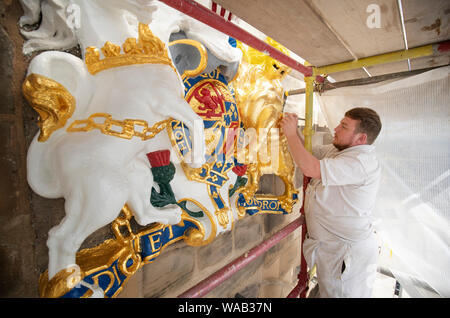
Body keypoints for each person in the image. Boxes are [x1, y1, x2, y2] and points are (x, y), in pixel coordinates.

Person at [280, 107, 382, 298]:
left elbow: (311, 168)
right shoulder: (341, 150)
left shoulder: (360, 162)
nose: (335, 128)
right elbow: (308, 153)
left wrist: (291, 134)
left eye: (344, 126)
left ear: (361, 139)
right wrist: (295, 132)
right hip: (334, 251)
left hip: (345, 256)